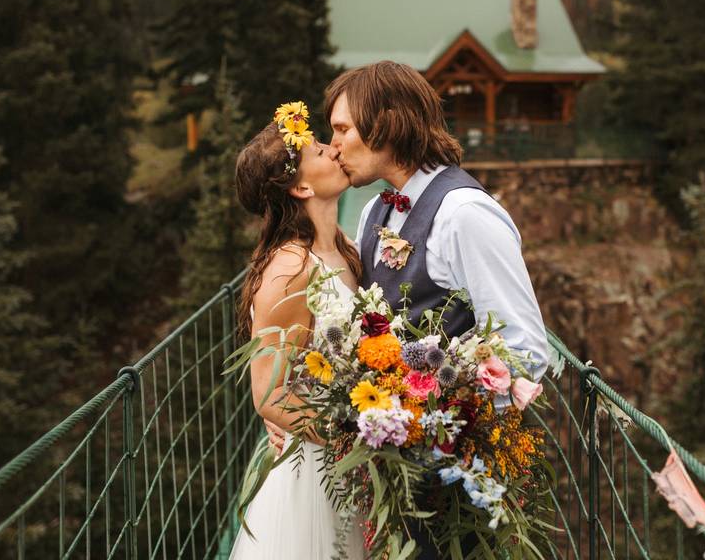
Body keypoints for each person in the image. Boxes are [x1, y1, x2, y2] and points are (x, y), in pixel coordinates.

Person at [326, 61, 551, 558]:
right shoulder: (371, 211)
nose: (334, 144)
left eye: (343, 128)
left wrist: (437, 417)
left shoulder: (465, 215)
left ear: (386, 122)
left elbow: (527, 349)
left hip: (457, 484)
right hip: (395, 473)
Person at [229, 104, 365, 560]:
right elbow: (268, 393)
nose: (334, 148)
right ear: (302, 186)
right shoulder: (289, 269)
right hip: (320, 470)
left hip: (354, 461)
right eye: (320, 149)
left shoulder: (346, 250)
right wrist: (360, 440)